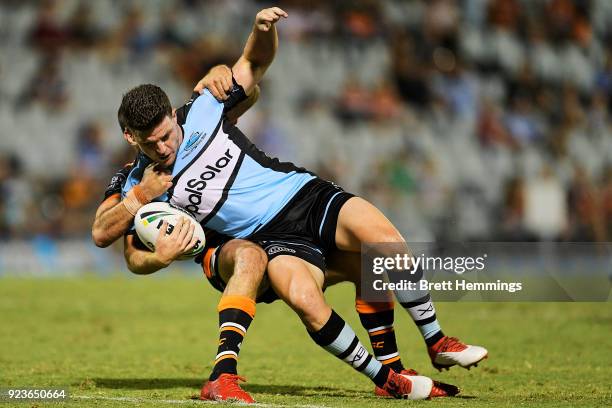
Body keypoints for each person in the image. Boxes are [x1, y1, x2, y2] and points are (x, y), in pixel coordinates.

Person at [118, 6, 487, 401]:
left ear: (174, 115)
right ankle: (388, 378)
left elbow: (254, 64)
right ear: (131, 138)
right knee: (305, 300)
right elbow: (114, 238)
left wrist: (261, 29)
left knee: (382, 243)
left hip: (301, 194)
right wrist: (151, 235)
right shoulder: (141, 182)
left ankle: (436, 340)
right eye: (151, 142)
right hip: (264, 236)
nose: (163, 146)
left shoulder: (205, 107)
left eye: (166, 135)